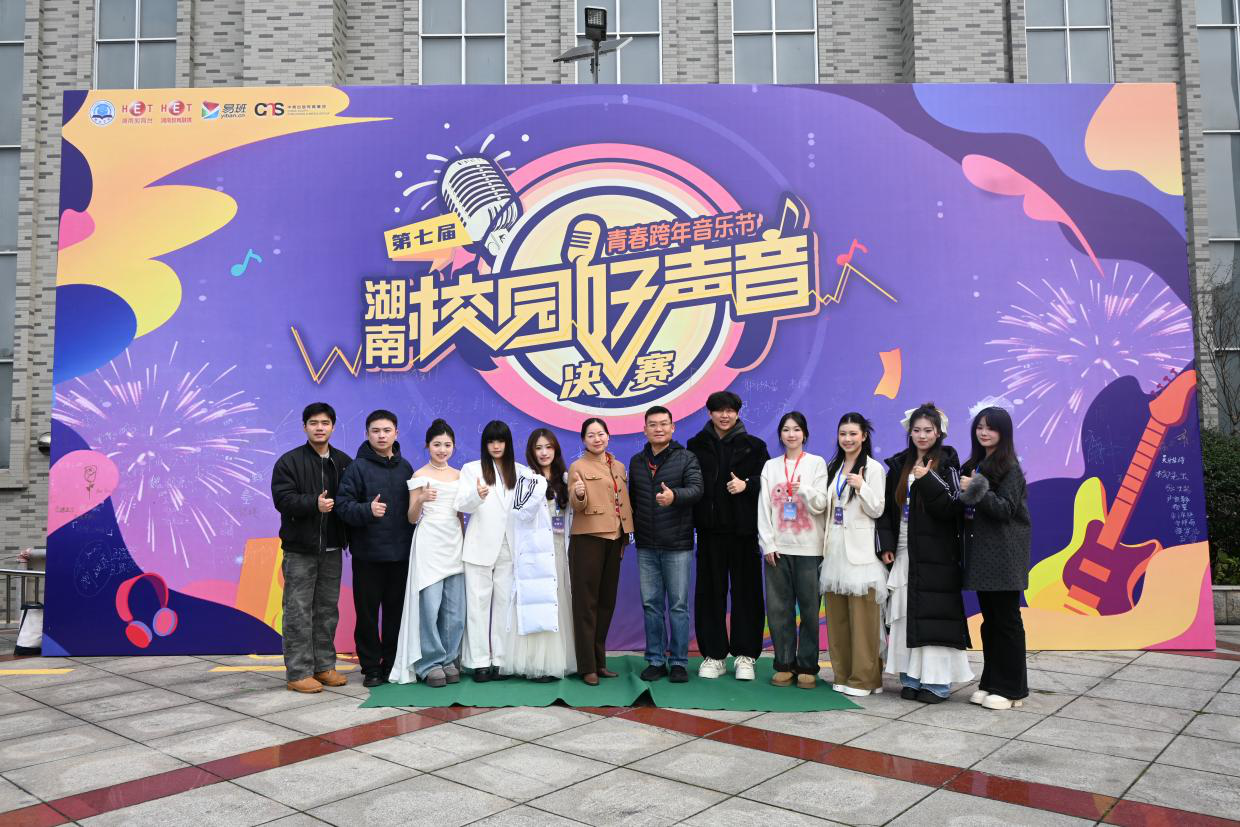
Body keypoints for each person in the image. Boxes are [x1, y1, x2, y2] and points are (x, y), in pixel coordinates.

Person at [878, 403, 973, 703]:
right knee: (905, 613)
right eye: (917, 430)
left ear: (939, 432)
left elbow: (952, 507)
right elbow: (887, 511)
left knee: (935, 615)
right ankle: (910, 677)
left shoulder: (948, 463)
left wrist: (927, 479)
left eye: (928, 430)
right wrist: (887, 545)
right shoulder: (898, 465)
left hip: (937, 553)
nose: (922, 435)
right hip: (904, 549)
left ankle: (936, 682)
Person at [270, 402, 353, 693]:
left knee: (327, 610)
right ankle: (298, 672)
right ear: (304, 427)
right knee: (298, 611)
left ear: (333, 427)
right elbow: (282, 499)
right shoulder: (289, 462)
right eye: (314, 423)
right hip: (300, 550)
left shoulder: (343, 462)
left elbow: (351, 500)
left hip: (332, 548)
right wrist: (312, 504)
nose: (320, 428)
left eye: (325, 423)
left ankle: (324, 666)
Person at [687, 390, 770, 681]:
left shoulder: (754, 446)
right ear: (709, 413)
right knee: (710, 593)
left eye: (730, 410)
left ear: (737, 413)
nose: (725, 415)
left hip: (744, 532)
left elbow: (769, 482)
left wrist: (748, 484)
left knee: (747, 594)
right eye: (719, 410)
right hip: (709, 532)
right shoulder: (695, 445)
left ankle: (745, 656)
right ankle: (714, 655)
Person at [335, 410, 415, 688]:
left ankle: (391, 664)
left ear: (396, 433)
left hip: (401, 555)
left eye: (387, 430)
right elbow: (342, 507)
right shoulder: (357, 468)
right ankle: (371, 668)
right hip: (368, 555)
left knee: (395, 614)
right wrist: (367, 510)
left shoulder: (406, 468)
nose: (381, 436)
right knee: (367, 615)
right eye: (375, 431)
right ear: (367, 434)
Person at [959, 406, 1032, 711]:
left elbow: (1005, 509)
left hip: (1004, 556)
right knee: (990, 623)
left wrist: (975, 489)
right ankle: (991, 682)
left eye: (991, 428)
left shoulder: (1009, 466)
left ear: (1003, 433)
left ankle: (1012, 689)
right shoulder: (976, 464)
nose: (984, 433)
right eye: (980, 427)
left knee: (1007, 623)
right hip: (983, 557)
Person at [628, 406, 703, 683]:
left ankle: (679, 661)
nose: (658, 429)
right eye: (653, 424)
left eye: (663, 424)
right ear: (644, 429)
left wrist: (675, 497)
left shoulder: (686, 458)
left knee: (678, 606)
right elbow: (633, 500)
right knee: (651, 605)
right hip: (646, 545)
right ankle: (656, 660)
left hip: (677, 544)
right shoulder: (637, 462)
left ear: (673, 428)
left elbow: (697, 489)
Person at [389, 419, 466, 687]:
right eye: (437, 445)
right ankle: (429, 663)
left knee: (455, 609)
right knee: (430, 606)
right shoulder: (419, 475)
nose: (442, 450)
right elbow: (412, 518)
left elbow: (460, 515)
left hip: (454, 543)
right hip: (429, 542)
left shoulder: (460, 476)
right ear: (427, 446)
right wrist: (421, 499)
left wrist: (463, 540)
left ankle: (449, 658)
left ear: (453, 447)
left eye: (447, 445)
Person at [758, 411, 829, 689]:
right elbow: (764, 508)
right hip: (778, 549)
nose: (791, 434)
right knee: (779, 610)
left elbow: (821, 505)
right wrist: (768, 543)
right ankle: (784, 663)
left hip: (810, 549)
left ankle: (808, 665)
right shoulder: (770, 466)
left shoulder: (816, 463)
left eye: (797, 429)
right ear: (780, 434)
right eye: (786, 429)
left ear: (805, 434)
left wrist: (803, 490)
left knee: (810, 610)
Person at [499, 429, 577, 681]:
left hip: (559, 549)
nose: (544, 453)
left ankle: (558, 661)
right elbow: (520, 513)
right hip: (535, 551)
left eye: (548, 447)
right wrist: (538, 486)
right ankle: (537, 664)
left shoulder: (566, 478)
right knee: (537, 603)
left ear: (556, 450)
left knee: (558, 603)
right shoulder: (526, 479)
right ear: (531, 452)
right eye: (538, 448)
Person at [456, 420, 530, 682]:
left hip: (510, 547)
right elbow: (461, 505)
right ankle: (479, 662)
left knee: (504, 606)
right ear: (484, 444)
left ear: (508, 443)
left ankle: (500, 660)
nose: (496, 446)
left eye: (501, 441)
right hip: (479, 547)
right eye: (491, 441)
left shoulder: (521, 472)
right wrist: (477, 495)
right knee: (477, 605)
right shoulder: (471, 469)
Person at [820, 412, 887, 696]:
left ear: (864, 436)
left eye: (853, 434)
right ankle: (843, 673)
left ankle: (866, 679)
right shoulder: (833, 466)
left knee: (864, 621)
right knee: (838, 619)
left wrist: (862, 487)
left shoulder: (873, 468)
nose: (847, 439)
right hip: (834, 550)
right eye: (843, 434)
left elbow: (878, 509)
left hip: (861, 554)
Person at [568, 417, 634, 686]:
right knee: (586, 604)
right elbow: (576, 504)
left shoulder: (618, 466)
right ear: (583, 440)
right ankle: (587, 666)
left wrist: (625, 534)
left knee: (606, 602)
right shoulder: (578, 466)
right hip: (588, 539)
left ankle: (600, 661)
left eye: (601, 434)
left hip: (615, 538)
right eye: (591, 435)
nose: (597, 439)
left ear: (608, 436)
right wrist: (579, 494)